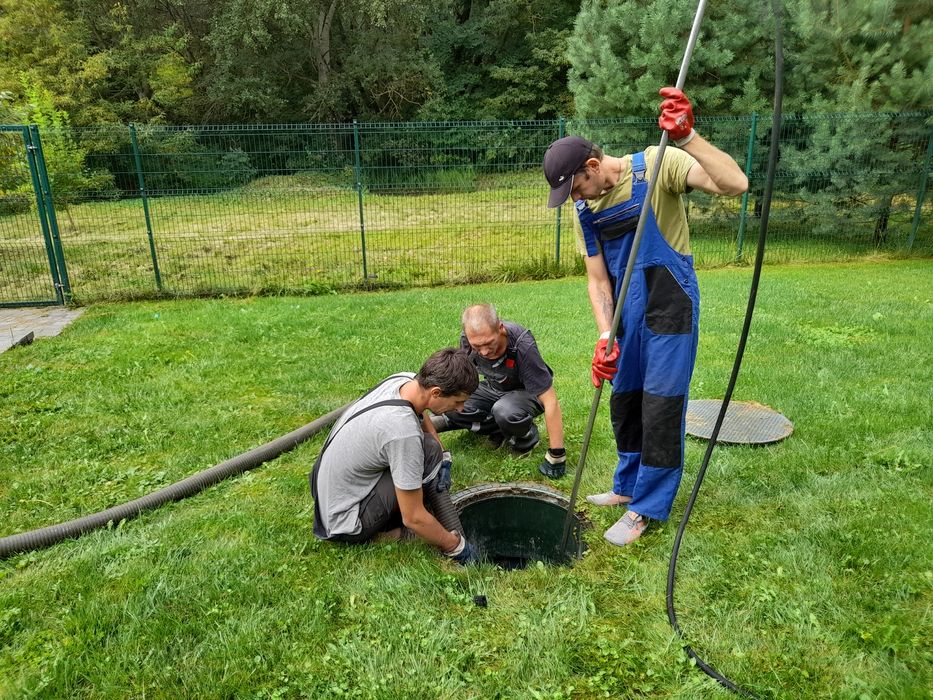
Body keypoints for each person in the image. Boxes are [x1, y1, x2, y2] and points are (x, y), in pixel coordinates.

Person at [542, 87, 748, 546]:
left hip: (669, 304)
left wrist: (688, 137)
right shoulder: (583, 208)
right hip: (625, 317)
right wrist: (604, 334)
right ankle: (627, 486)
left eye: (575, 185)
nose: (576, 196)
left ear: (592, 167)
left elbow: (735, 183)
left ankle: (647, 507)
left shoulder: (657, 166)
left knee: (662, 404)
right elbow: (598, 280)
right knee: (626, 400)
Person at [310, 347, 480, 563]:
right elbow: (413, 518)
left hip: (329, 490)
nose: (462, 409)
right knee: (423, 455)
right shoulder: (402, 432)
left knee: (430, 449)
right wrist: (455, 546)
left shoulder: (406, 380)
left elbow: (422, 412)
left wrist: (443, 453)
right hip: (345, 521)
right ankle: (387, 535)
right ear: (436, 392)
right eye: (458, 402)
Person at [432, 303, 568, 479]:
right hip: (494, 388)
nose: (484, 351)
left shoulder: (522, 345)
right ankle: (498, 430)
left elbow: (550, 400)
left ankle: (527, 438)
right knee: (453, 403)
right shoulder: (468, 341)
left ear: (500, 328)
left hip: (528, 393)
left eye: (489, 343)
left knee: (503, 410)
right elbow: (459, 379)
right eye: (477, 346)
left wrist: (557, 454)